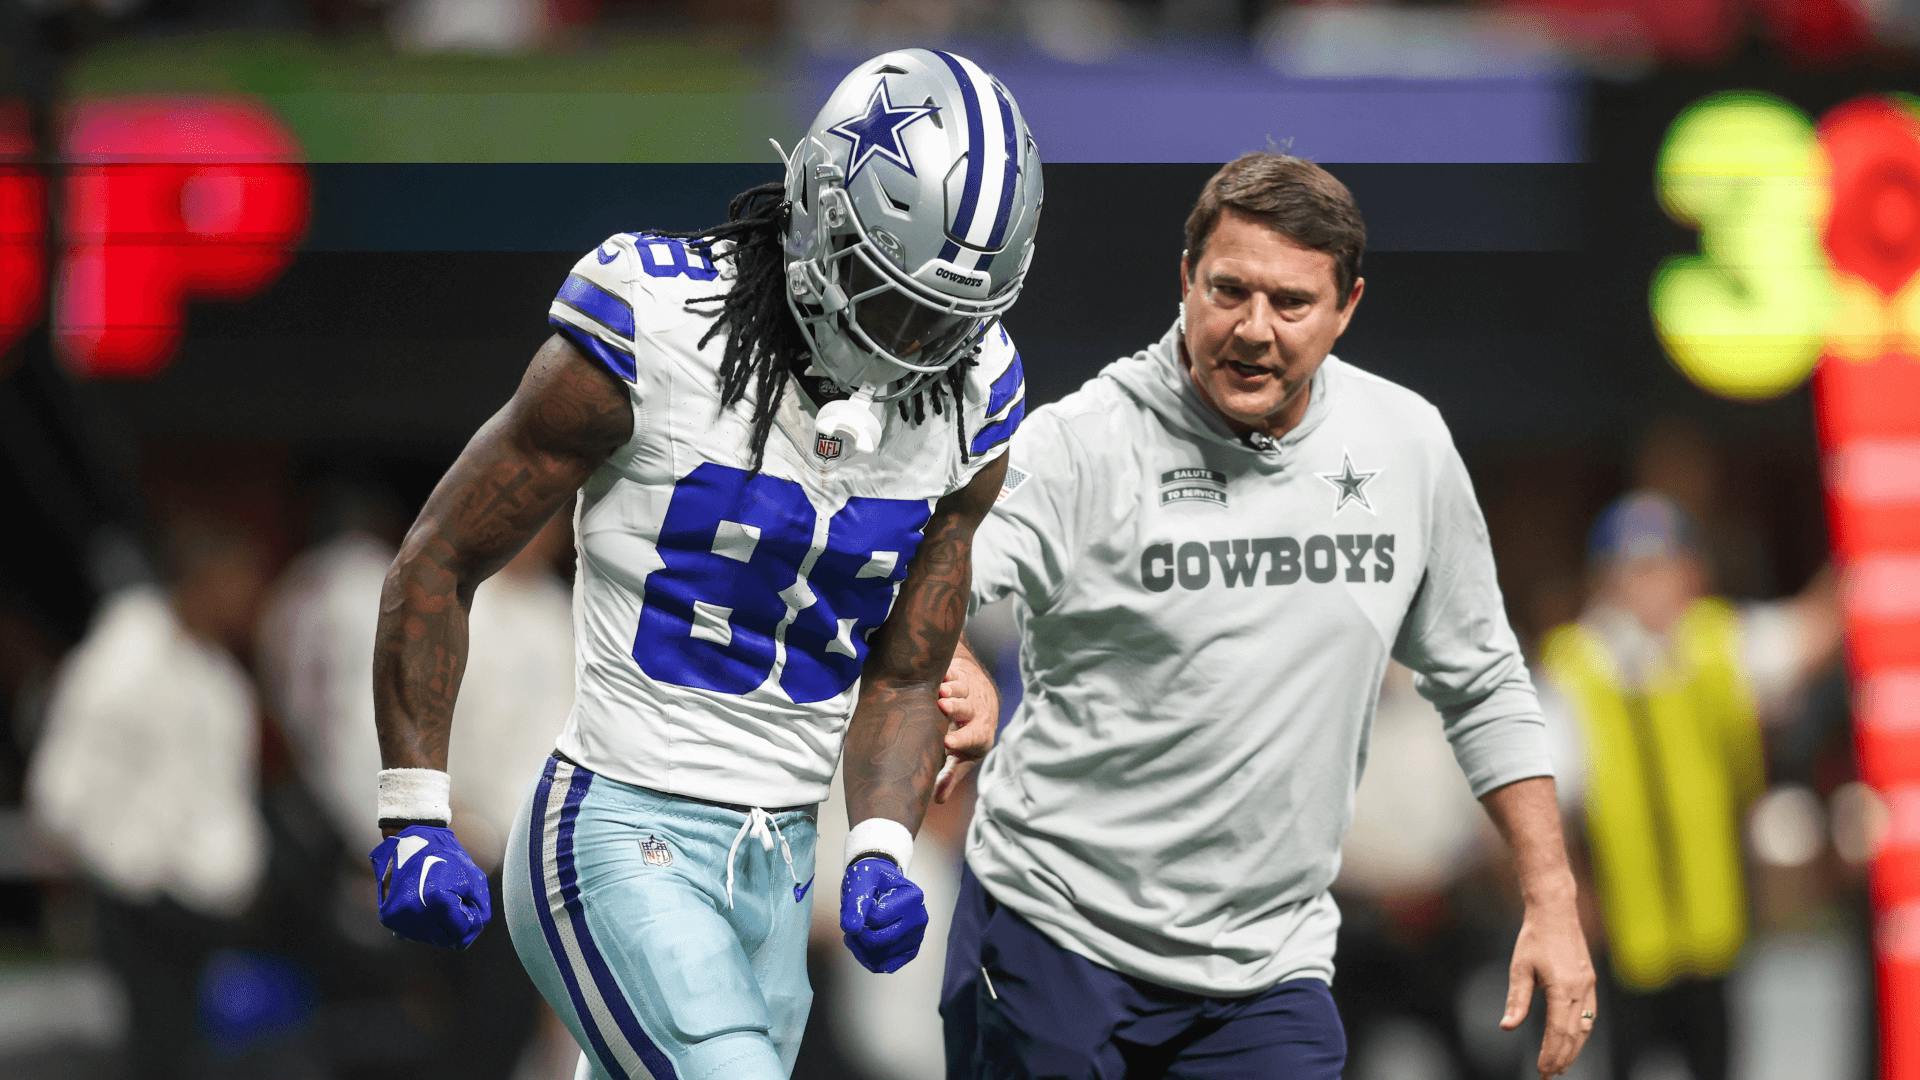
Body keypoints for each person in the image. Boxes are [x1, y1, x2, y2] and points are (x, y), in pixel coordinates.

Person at [367, 48, 1041, 1080]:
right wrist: (413, 810)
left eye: (942, 319)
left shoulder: (975, 395)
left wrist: (880, 848)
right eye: (886, 292)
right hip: (615, 829)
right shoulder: (657, 323)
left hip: (778, 863)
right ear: (819, 205)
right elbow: (441, 556)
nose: (907, 343)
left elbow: (906, 668)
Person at [940, 152, 1596, 1080]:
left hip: (1265, 968)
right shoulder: (1083, 442)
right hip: (1055, 936)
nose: (1253, 329)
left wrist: (1552, 898)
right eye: (1228, 290)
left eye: (1290, 303)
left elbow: (1483, 681)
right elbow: (928, 577)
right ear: (1184, 282)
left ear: (1347, 308)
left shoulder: (1405, 445)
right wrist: (953, 655)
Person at [1538, 490, 1840, 1080]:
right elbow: (1541, 801)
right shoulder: (1575, 668)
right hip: (1623, 946)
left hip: (1714, 934)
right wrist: (1565, 903)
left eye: (1668, 566)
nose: (1656, 585)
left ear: (1693, 572)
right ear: (1607, 581)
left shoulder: (1716, 642)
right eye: (1638, 569)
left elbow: (1810, 634)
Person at [28, 514, 272, 1080]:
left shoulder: (217, 677)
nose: (251, 599)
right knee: (161, 1057)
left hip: (208, 908)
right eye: (240, 581)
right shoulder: (127, 660)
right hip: (148, 907)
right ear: (204, 580)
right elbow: (61, 790)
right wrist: (138, 872)